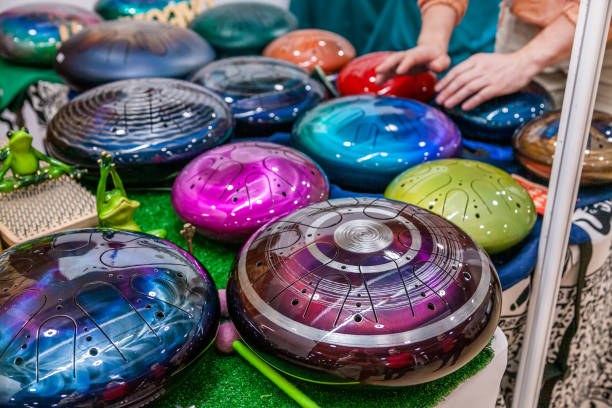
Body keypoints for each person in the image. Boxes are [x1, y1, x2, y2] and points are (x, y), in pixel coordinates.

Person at [376, 0, 612, 113]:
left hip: (606, 48)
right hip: (526, 19)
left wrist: (526, 60)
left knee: (596, 161)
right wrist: (432, 41)